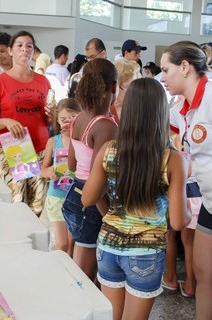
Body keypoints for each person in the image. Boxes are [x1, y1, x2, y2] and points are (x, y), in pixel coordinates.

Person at [82, 77, 191, 320]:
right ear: (161, 112)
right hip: (146, 253)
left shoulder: (109, 149)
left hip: (108, 246)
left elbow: (88, 198)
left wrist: (112, 213)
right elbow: (179, 221)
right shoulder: (173, 160)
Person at [160, 40, 212, 320]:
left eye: (166, 70)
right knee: (204, 272)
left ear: (184, 67)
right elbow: (187, 157)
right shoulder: (180, 109)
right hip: (208, 201)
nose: (163, 77)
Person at [0, 30, 54, 216]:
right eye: (19, 45)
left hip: (40, 146)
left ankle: (31, 243)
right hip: (15, 147)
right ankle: (13, 241)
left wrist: (52, 115)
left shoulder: (43, 82)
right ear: (11, 51)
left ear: (33, 51)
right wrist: (6, 121)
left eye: (29, 46)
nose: (24, 49)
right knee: (17, 202)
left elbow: (48, 121)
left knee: (38, 204)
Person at [62, 58, 118, 281]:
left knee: (82, 267)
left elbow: (72, 165)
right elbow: (98, 179)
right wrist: (110, 217)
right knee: (85, 276)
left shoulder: (80, 118)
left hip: (75, 194)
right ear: (113, 87)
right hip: (94, 201)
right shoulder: (106, 126)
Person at [162, 133, 201, 298]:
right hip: (199, 189)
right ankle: (190, 284)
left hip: (181, 188)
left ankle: (171, 278)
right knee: (189, 243)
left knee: (170, 236)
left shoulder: (176, 132)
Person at [41, 98, 81, 255]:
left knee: (72, 243)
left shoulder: (83, 141)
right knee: (62, 244)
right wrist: (49, 171)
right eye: (63, 119)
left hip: (76, 197)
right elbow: (42, 170)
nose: (67, 123)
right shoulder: (53, 141)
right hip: (57, 196)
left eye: (72, 119)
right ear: (57, 121)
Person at [110, 58, 141, 124]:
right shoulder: (107, 111)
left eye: (134, 87)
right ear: (115, 87)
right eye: (127, 87)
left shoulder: (138, 108)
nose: (132, 93)